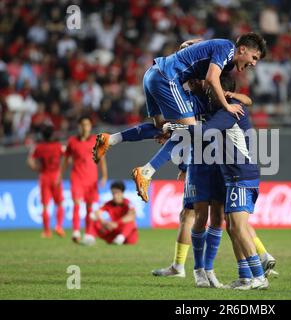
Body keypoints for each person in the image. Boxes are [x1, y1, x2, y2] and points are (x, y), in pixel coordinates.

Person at [92, 33, 267, 203]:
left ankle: (110, 139)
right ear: (242, 49)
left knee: (161, 128)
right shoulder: (228, 49)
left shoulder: (224, 61)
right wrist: (227, 105)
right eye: (254, 57)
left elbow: (199, 54)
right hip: (167, 78)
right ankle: (146, 171)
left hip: (153, 74)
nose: (253, 63)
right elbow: (211, 77)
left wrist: (185, 48)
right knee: (190, 132)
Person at [163, 74, 269, 290]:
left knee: (238, 227)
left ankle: (259, 276)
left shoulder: (230, 110)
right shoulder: (227, 107)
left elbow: (203, 130)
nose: (210, 93)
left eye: (213, 89)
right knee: (232, 227)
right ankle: (245, 276)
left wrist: (173, 128)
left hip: (242, 176)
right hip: (233, 177)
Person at [58, 116, 108, 243]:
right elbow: (65, 160)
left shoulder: (96, 141)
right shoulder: (72, 141)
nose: (86, 127)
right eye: (83, 125)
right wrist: (60, 175)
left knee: (90, 208)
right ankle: (75, 231)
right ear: (79, 127)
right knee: (76, 203)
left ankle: (88, 233)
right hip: (77, 177)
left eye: (88, 125)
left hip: (92, 179)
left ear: (90, 127)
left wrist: (104, 176)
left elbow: (102, 159)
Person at [27, 124, 65, 238]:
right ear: (52, 134)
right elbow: (68, 156)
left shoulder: (39, 147)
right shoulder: (58, 146)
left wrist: (36, 168)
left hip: (44, 176)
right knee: (60, 203)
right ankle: (58, 226)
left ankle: (46, 231)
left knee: (45, 206)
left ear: (42, 135)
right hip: (56, 176)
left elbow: (29, 160)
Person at [81, 181, 138, 246]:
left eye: (117, 193)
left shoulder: (128, 203)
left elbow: (132, 216)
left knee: (131, 223)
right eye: (113, 193)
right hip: (113, 232)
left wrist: (116, 223)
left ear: (122, 193)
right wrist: (104, 222)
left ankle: (121, 238)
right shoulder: (109, 204)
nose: (115, 196)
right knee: (93, 218)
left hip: (127, 235)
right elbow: (96, 213)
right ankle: (90, 238)